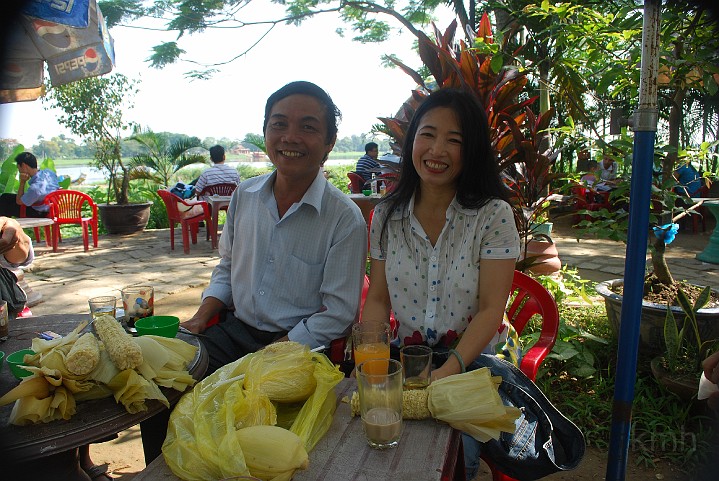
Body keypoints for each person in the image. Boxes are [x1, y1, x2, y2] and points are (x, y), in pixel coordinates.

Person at [360, 88, 520, 479]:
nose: (437, 150)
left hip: (479, 358)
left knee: (453, 454)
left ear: (473, 151)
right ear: (412, 140)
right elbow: (378, 299)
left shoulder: (493, 216)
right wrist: (371, 359)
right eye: (428, 134)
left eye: (455, 140)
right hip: (410, 354)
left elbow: (490, 310)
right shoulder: (386, 215)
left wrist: (443, 375)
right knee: (373, 438)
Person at [181, 81, 368, 375]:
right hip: (234, 334)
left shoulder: (344, 218)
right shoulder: (244, 195)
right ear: (266, 132)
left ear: (330, 142)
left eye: (308, 127)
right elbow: (228, 267)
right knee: (163, 390)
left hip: (300, 348)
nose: (290, 138)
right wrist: (201, 317)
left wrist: (274, 353)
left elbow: (338, 314)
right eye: (279, 124)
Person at [0, 152, 60, 218]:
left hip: (40, 212)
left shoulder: (35, 188)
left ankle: (3, 224)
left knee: (4, 201)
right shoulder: (49, 172)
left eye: (19, 168)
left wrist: (22, 182)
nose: (19, 171)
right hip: (52, 208)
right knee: (6, 197)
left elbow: (19, 201)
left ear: (24, 165)